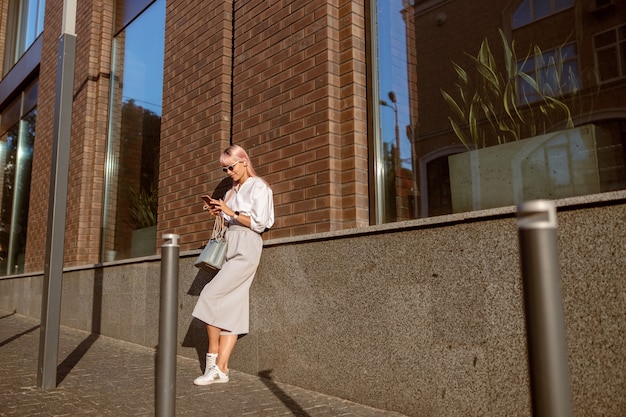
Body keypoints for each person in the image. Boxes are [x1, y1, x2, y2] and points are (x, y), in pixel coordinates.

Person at [192, 144, 274, 385]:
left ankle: (211, 362)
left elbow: (262, 223)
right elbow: (228, 218)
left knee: (209, 295)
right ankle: (221, 369)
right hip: (230, 244)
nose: (228, 172)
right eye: (224, 169)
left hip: (247, 246)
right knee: (233, 307)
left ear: (244, 161)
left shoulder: (259, 187)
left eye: (231, 166)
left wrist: (232, 212)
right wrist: (218, 211)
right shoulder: (230, 192)